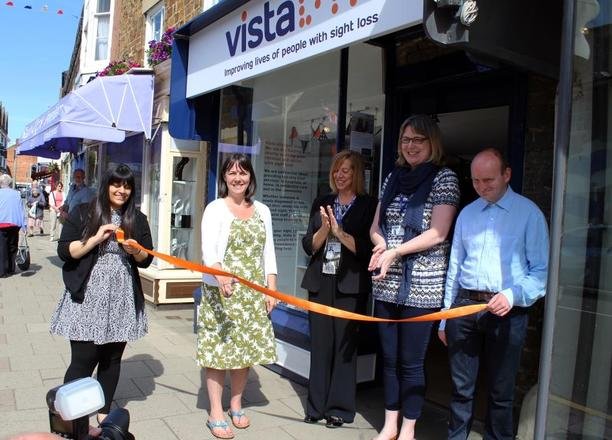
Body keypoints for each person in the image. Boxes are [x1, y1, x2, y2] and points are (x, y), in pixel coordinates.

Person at [438, 148, 549, 440]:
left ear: (506, 174)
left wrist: (512, 295)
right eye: (475, 181)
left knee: (501, 393)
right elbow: (455, 268)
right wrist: (444, 317)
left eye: (488, 180)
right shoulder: (466, 213)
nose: (481, 187)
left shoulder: (529, 214)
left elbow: (540, 271)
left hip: (508, 311)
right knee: (461, 390)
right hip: (464, 308)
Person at [368, 115, 460, 440]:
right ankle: (389, 423)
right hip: (387, 283)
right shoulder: (392, 177)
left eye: (418, 140)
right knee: (389, 360)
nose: (410, 146)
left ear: (431, 142)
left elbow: (438, 232)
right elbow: (376, 227)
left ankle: (408, 428)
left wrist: (396, 251)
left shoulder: (444, 178)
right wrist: (381, 246)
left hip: (423, 286)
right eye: (406, 140)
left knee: (411, 362)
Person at [49, 164, 153, 423]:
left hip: (121, 297)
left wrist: (135, 250)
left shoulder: (137, 219)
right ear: (106, 185)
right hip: (87, 296)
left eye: (127, 185)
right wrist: (95, 238)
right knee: (83, 359)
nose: (121, 190)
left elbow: (146, 259)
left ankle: (104, 413)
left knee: (112, 358)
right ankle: (71, 417)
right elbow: (65, 251)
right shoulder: (84, 212)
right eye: (116, 184)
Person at [198, 153, 278, 440]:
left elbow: (268, 251)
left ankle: (236, 404)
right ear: (224, 178)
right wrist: (219, 273)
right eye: (231, 172)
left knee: (244, 352)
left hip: (252, 293)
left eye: (242, 172)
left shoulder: (263, 211)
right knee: (218, 353)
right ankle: (215, 412)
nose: (237, 177)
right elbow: (209, 250)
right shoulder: (215, 209)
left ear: (250, 177)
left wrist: (270, 287)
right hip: (222, 292)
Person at [300, 150, 377, 428]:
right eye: (336, 170)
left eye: (346, 170)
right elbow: (309, 246)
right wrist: (324, 229)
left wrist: (341, 232)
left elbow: (367, 250)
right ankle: (315, 406)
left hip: (350, 286)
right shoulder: (323, 202)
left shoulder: (369, 205)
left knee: (344, 349)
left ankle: (340, 409)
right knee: (320, 346)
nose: (340, 175)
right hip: (321, 282)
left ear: (356, 174)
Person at [0, 174, 26, 278]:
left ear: (1, 183)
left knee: (2, 248)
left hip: (1, 223)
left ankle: (2, 271)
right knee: (13, 246)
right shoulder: (17, 194)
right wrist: (24, 225)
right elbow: (22, 210)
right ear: (10, 183)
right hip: (15, 223)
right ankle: (11, 269)